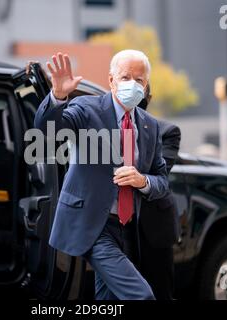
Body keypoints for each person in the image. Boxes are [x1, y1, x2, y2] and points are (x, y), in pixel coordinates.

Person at [34, 50, 168, 300]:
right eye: (125, 77)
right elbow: (47, 135)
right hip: (94, 224)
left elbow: (162, 181)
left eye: (139, 80)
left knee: (108, 299)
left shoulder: (150, 125)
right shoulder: (87, 108)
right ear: (111, 80)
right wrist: (58, 96)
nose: (132, 84)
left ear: (146, 85)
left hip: (127, 228)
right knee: (142, 296)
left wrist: (143, 181)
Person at [138, 85, 181, 300]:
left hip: (153, 226)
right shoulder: (105, 127)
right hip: (117, 226)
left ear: (149, 97)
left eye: (139, 86)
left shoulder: (167, 130)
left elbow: (159, 171)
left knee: (160, 290)